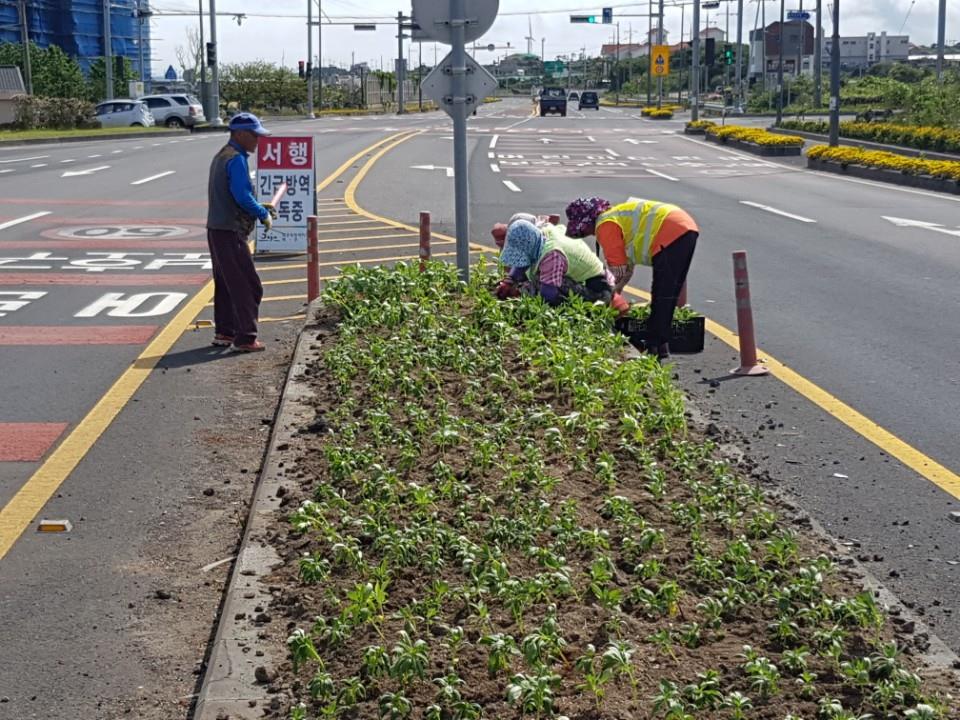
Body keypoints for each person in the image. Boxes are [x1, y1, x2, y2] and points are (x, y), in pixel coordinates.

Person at [565, 196, 699, 359]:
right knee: (669, 290)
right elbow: (627, 269)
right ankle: (661, 344)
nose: (584, 234)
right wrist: (617, 291)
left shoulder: (604, 226)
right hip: (684, 226)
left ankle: (655, 346)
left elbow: (618, 271)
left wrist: (608, 297)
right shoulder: (616, 217)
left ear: (586, 222)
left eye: (582, 230)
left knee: (662, 294)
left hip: (670, 230)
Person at [206, 112, 278, 352]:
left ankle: (225, 332)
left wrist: (259, 207)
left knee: (226, 283)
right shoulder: (235, 159)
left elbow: (234, 194)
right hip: (230, 231)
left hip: (216, 229)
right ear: (240, 134)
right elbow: (241, 195)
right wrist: (261, 213)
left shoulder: (222, 155)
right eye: (254, 135)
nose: (258, 140)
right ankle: (245, 337)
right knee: (248, 285)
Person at [495, 219, 629, 313]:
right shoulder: (543, 234)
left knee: (541, 284)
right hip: (597, 278)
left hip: (597, 288)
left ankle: (600, 306)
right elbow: (524, 261)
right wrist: (509, 280)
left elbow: (548, 294)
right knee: (535, 280)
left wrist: (520, 295)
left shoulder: (552, 255)